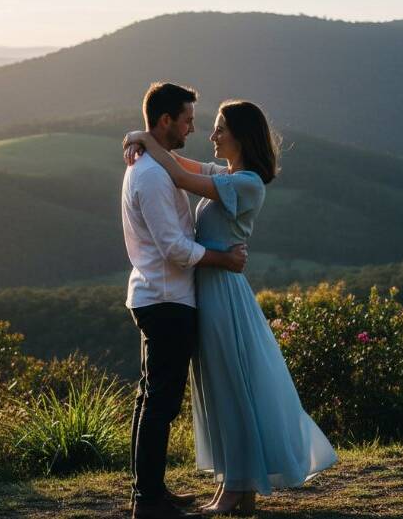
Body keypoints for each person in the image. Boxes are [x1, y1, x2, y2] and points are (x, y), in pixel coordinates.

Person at [124, 99, 338, 516]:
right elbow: (182, 162)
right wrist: (143, 139)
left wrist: (145, 139)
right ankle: (239, 489)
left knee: (231, 390)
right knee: (223, 390)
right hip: (210, 290)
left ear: (240, 136)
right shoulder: (228, 175)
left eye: (220, 128)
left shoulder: (247, 184)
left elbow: (178, 175)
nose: (212, 134)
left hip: (222, 293)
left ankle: (237, 489)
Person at [122, 82, 249, 519]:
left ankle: (150, 492)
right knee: (159, 401)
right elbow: (176, 248)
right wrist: (223, 258)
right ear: (165, 121)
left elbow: (193, 170)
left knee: (152, 398)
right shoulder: (153, 176)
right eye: (188, 120)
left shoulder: (154, 166)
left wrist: (140, 139)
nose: (193, 128)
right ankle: (149, 501)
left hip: (160, 295)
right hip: (165, 298)